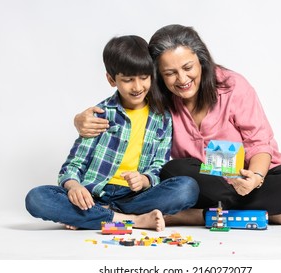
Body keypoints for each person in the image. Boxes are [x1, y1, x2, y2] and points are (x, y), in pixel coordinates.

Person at [74, 25, 281, 227]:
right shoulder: (156, 98)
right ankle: (262, 215)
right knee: (174, 170)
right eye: (170, 73)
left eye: (188, 68)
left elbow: (259, 142)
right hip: (205, 184)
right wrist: (79, 120)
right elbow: (123, 107)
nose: (182, 80)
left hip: (249, 179)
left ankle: (204, 215)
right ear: (158, 75)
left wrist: (254, 178)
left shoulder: (232, 86)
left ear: (201, 61)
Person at [25, 35, 199, 231]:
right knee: (37, 198)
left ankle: (94, 216)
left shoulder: (162, 117)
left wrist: (144, 180)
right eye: (127, 80)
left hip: (134, 198)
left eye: (143, 78)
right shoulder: (100, 114)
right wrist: (74, 186)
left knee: (187, 188)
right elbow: (73, 165)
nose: (137, 87)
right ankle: (132, 220)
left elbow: (159, 164)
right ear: (111, 79)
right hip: (94, 194)